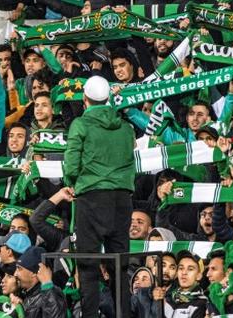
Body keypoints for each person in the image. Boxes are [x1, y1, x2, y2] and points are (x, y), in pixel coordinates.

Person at [63, 75, 136, 317]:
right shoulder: (126, 127)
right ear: (108, 99)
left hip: (91, 198)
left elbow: (71, 165)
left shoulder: (81, 125)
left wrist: (72, 183)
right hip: (122, 200)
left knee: (88, 264)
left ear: (85, 99)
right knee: (119, 265)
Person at [14, 246, 66, 317]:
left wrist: (47, 286)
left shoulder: (52, 293)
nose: (15, 274)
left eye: (19, 269)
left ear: (34, 273)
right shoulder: (29, 294)